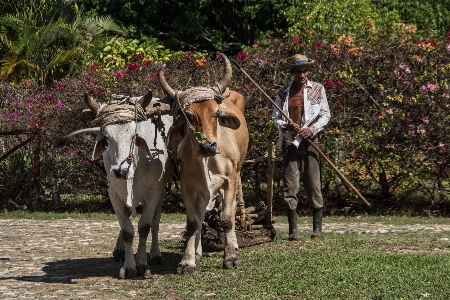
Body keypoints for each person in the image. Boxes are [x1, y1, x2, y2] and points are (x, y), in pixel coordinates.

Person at [272, 54, 331, 240]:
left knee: (313, 183)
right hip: (290, 142)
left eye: (305, 70)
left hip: (311, 142)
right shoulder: (283, 94)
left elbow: (326, 114)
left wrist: (311, 130)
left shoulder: (319, 90)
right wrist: (286, 126)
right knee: (290, 186)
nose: (302, 74)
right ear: (293, 72)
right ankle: (293, 231)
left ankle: (317, 230)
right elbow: (276, 117)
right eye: (298, 71)